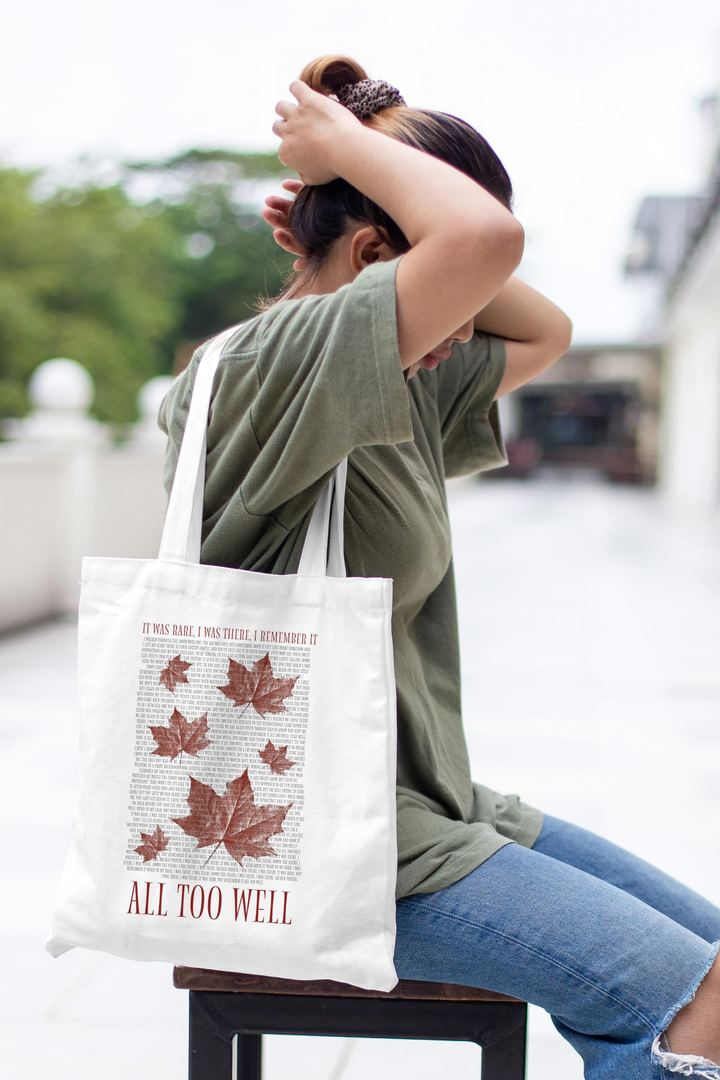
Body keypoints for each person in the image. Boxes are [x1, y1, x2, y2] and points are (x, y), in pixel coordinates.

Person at [159, 55, 720, 1079]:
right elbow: (481, 242)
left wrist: (371, 199)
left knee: (715, 965)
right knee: (699, 1002)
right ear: (378, 250)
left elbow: (541, 325)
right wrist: (351, 157)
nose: (471, 323)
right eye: (457, 300)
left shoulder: (388, 379)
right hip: (316, 839)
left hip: (424, 804)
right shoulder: (266, 364)